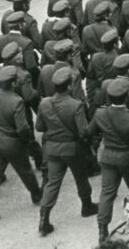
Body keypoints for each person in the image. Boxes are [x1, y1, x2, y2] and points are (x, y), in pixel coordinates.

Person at [36, 67, 99, 234]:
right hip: (72, 149)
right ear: (70, 86)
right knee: (81, 177)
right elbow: (83, 132)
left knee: (52, 183)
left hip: (52, 149)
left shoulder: (44, 103)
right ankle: (87, 206)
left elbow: (39, 127)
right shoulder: (75, 105)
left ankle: (44, 218)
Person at [0, 66, 43, 227]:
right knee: (25, 170)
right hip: (12, 142)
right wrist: (27, 140)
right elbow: (22, 128)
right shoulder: (16, 101)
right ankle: (36, 194)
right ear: (13, 83)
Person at [88, 80, 129, 242]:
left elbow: (89, 132)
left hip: (108, 157)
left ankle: (102, 229)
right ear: (126, 97)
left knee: (107, 193)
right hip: (128, 159)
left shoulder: (100, 113)